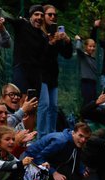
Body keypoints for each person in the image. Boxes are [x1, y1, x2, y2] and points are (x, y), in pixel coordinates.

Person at [37, 5, 72, 138]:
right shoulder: (39, 33)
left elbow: (67, 55)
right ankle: (41, 136)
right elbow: (41, 56)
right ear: (43, 16)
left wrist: (67, 41)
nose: (52, 17)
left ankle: (50, 136)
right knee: (44, 105)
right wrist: (51, 43)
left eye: (54, 15)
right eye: (49, 14)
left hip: (53, 76)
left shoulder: (56, 34)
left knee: (54, 107)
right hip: (41, 75)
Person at [6, 5, 49, 94]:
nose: (39, 17)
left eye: (41, 15)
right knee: (22, 98)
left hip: (36, 73)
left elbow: (45, 57)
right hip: (21, 69)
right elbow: (10, 21)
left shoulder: (43, 36)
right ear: (31, 16)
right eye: (36, 14)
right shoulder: (22, 24)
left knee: (33, 103)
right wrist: (2, 19)